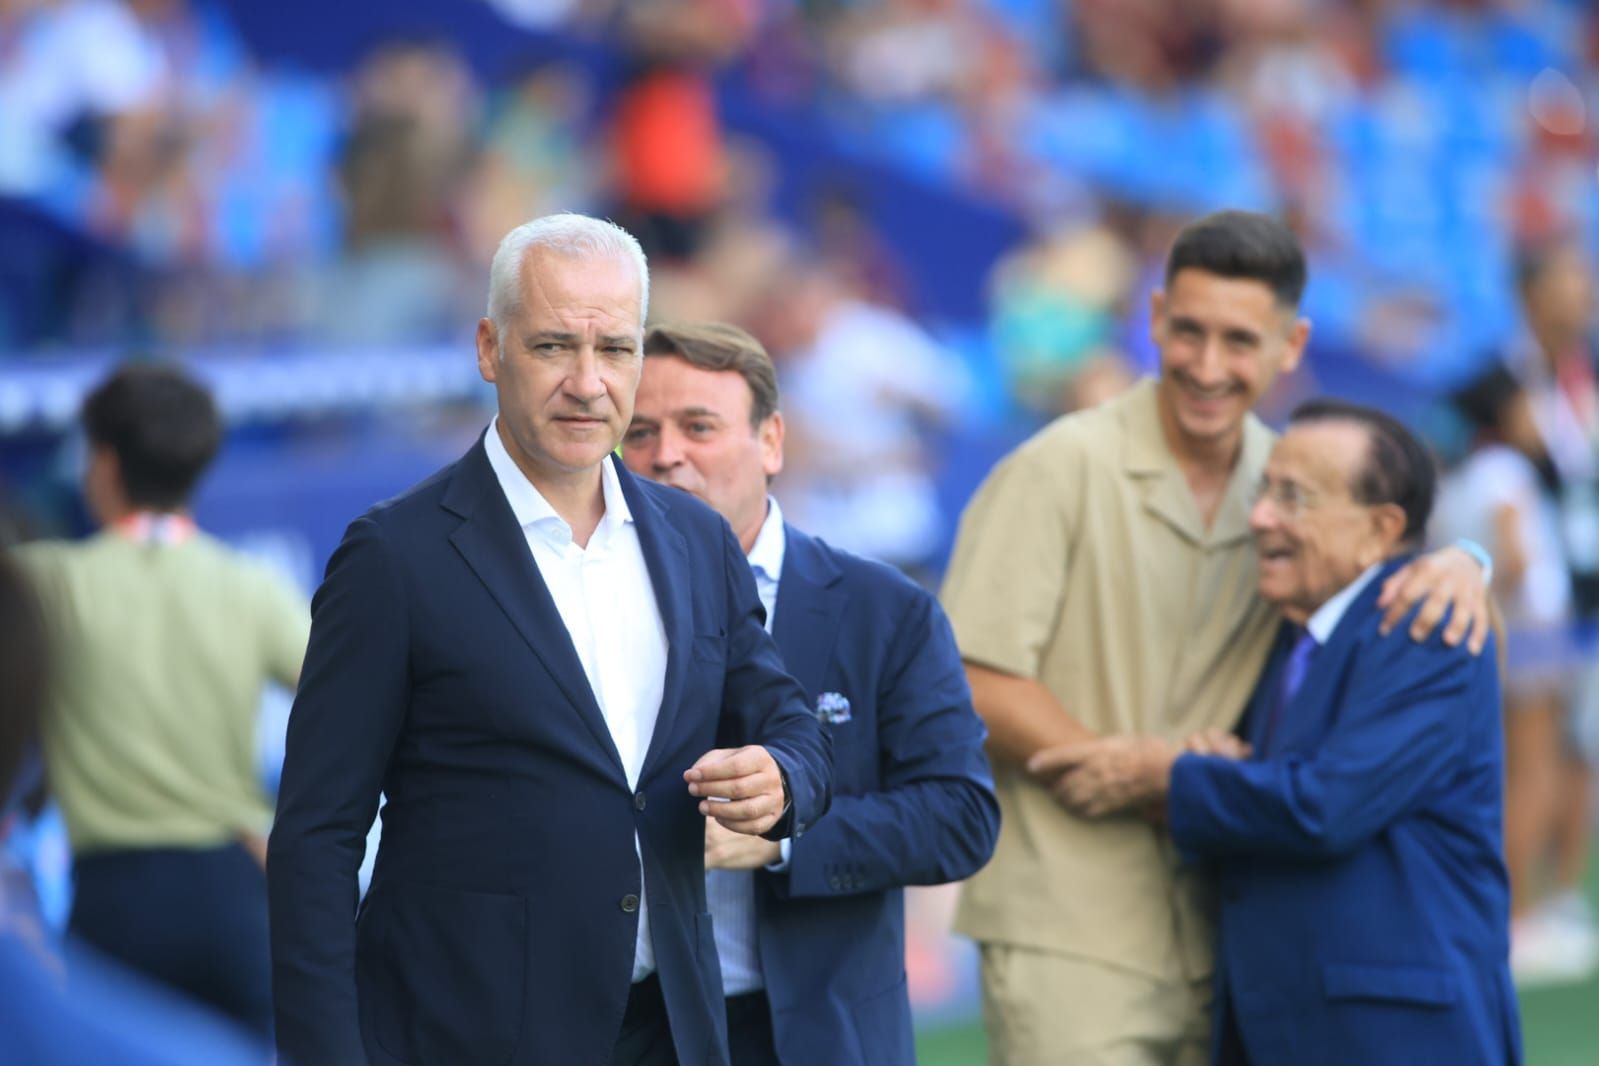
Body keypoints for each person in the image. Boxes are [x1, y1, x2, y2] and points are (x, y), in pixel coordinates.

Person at [267, 214, 832, 1066]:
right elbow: (316, 838)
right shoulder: (393, 556)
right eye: (552, 347)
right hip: (464, 1035)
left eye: (614, 350)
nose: (587, 382)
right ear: (490, 349)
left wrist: (781, 778)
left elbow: (792, 729)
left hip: (673, 1032)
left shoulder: (695, 538)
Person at [939, 210, 1494, 1066]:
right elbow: (972, 675)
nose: (1206, 366)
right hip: (1071, 924)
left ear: (1291, 343)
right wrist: (1130, 772)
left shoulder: (1294, 480)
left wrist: (1466, 560)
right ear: (1154, 318)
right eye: (1187, 331)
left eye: (1239, 341)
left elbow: (1397, 575)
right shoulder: (1055, 467)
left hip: (1232, 926)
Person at [1039, 401, 1522, 1066]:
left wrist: (1165, 774)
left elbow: (1327, 804)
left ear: (1381, 528)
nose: (1260, 516)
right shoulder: (1292, 638)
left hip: (1395, 1038)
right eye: (1264, 490)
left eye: (1294, 498)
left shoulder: (1426, 626)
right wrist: (1218, 767)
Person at [621, 321, 1000, 1065]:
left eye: (699, 426)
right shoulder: (572, 609)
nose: (666, 454)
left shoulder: (884, 610)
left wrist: (781, 840)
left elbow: (960, 814)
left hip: (809, 1032)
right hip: (618, 1023)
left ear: (771, 443)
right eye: (639, 432)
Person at [14, 362, 308, 1041]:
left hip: (112, 904)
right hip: (235, 893)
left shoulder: (46, 584)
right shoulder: (249, 586)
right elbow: (364, 701)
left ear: (105, 465)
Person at [1435, 365, 1594, 982]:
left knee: (1506, 774)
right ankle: (1518, 915)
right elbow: (1518, 557)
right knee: (1532, 775)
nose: (1538, 419)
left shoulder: (1463, 475)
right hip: (1530, 637)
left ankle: (1505, 910)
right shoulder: (1505, 471)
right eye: (1527, 408)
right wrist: (1510, 599)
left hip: (1501, 641)